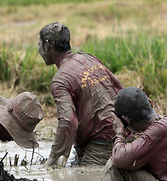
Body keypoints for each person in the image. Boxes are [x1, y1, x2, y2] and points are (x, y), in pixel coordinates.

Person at [38, 22, 123, 167]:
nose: (38, 49)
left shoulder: (61, 79)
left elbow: (68, 121)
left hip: (100, 144)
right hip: (121, 133)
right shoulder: (89, 59)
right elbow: (119, 89)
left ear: (48, 45)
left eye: (39, 44)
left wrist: (53, 160)